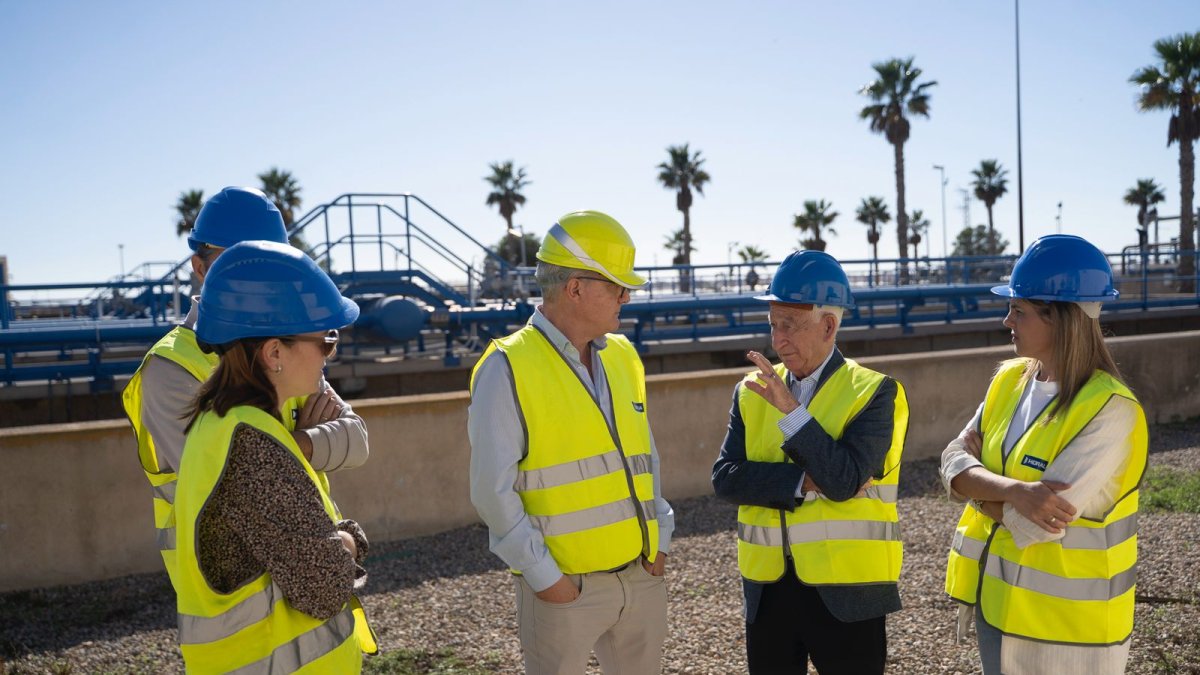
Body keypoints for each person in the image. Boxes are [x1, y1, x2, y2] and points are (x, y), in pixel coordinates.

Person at [121, 186, 368, 583]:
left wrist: (291, 447)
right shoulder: (170, 369)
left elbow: (356, 440)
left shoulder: (287, 345)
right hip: (233, 590)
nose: (256, 278)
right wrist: (306, 440)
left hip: (313, 563)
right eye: (233, 262)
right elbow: (235, 484)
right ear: (199, 268)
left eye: (270, 264)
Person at [468, 210, 675, 675]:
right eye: (616, 286)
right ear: (575, 288)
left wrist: (659, 545)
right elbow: (491, 492)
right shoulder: (506, 368)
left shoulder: (624, 356)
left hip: (640, 577)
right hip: (563, 593)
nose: (627, 296)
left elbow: (647, 459)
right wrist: (548, 581)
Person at [941, 235, 1147, 675]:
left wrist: (975, 487)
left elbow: (1032, 524)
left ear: (1060, 318)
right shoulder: (1009, 380)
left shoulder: (1111, 411)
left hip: (1071, 636)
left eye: (1019, 310)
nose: (1006, 320)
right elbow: (951, 460)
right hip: (998, 605)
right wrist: (1015, 491)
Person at [173, 240, 377, 672]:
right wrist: (349, 539)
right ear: (274, 352)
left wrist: (328, 541)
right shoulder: (253, 448)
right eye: (325, 340)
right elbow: (323, 585)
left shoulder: (224, 423)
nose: (329, 354)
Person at [712, 250, 909, 675]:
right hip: (767, 592)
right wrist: (801, 481)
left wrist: (791, 411)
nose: (778, 340)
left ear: (828, 326)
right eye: (773, 324)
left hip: (850, 593)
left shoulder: (876, 392)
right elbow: (725, 479)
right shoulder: (749, 391)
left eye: (790, 325)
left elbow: (841, 480)